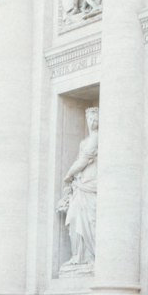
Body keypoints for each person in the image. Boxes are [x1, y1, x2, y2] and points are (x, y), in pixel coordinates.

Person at [58, 108, 100, 267]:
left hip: (91, 181)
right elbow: (80, 160)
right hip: (81, 184)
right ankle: (78, 255)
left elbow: (83, 160)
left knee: (90, 219)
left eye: (95, 118)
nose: (92, 121)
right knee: (75, 217)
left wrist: (68, 175)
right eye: (89, 118)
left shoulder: (97, 138)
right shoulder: (84, 141)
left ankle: (91, 255)